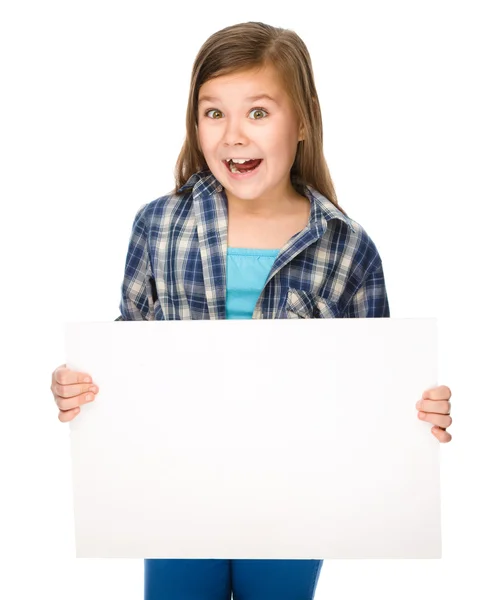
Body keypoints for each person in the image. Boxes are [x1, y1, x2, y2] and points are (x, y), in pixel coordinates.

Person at [50, 21, 453, 600]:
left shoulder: (348, 247)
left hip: (295, 501)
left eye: (258, 113)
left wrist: (421, 413)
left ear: (304, 121)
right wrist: (77, 386)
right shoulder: (159, 226)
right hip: (176, 492)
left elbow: (375, 388)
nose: (233, 134)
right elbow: (126, 353)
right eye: (214, 113)